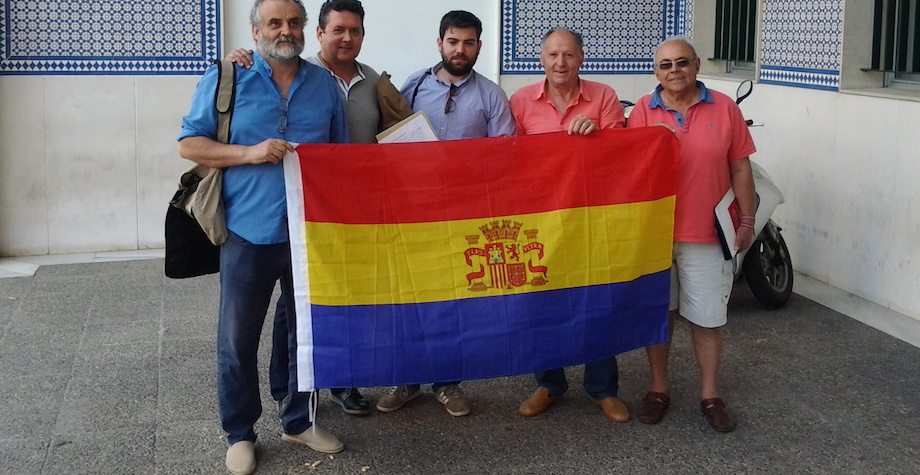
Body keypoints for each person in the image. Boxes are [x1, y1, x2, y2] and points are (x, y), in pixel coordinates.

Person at [178, 0, 350, 473]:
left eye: (294, 22)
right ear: (256, 31)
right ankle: (240, 433)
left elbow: (339, 158)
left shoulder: (323, 86)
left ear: (305, 30)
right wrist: (250, 152)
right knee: (237, 339)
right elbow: (189, 143)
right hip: (247, 233)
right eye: (274, 22)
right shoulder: (228, 78)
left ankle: (298, 421)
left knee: (303, 335)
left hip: (305, 235)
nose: (285, 30)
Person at [225, 0, 396, 417]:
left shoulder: (360, 82)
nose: (347, 38)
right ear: (318, 33)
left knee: (316, 318)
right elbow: (191, 142)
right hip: (256, 225)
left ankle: (313, 405)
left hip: (324, 222)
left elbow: (358, 149)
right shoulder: (245, 74)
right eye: (338, 29)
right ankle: (261, 410)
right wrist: (251, 152)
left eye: (354, 31)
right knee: (257, 328)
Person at [375, 10, 516, 417]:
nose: (460, 50)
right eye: (453, 41)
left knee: (455, 298)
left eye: (469, 43)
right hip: (415, 212)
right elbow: (391, 136)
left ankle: (448, 383)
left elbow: (507, 156)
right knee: (411, 296)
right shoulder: (414, 86)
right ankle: (407, 379)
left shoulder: (491, 95)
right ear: (440, 43)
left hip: (464, 215)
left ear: (479, 47)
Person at [627, 36, 756, 432]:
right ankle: (659, 390)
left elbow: (740, 168)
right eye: (665, 65)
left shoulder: (726, 108)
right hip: (656, 233)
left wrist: (747, 222)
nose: (674, 71)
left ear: (697, 65)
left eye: (682, 63)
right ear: (656, 72)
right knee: (659, 316)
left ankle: (710, 395)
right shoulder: (642, 114)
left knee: (707, 320)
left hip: (707, 233)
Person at [507, 29, 630, 423]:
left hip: (594, 217)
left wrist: (597, 136)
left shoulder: (604, 96)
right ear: (541, 59)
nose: (561, 63)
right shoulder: (521, 101)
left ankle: (602, 389)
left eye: (569, 55)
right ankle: (549, 384)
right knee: (544, 300)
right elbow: (514, 159)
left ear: (581, 59)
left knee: (598, 300)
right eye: (553, 55)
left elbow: (622, 155)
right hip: (542, 219)